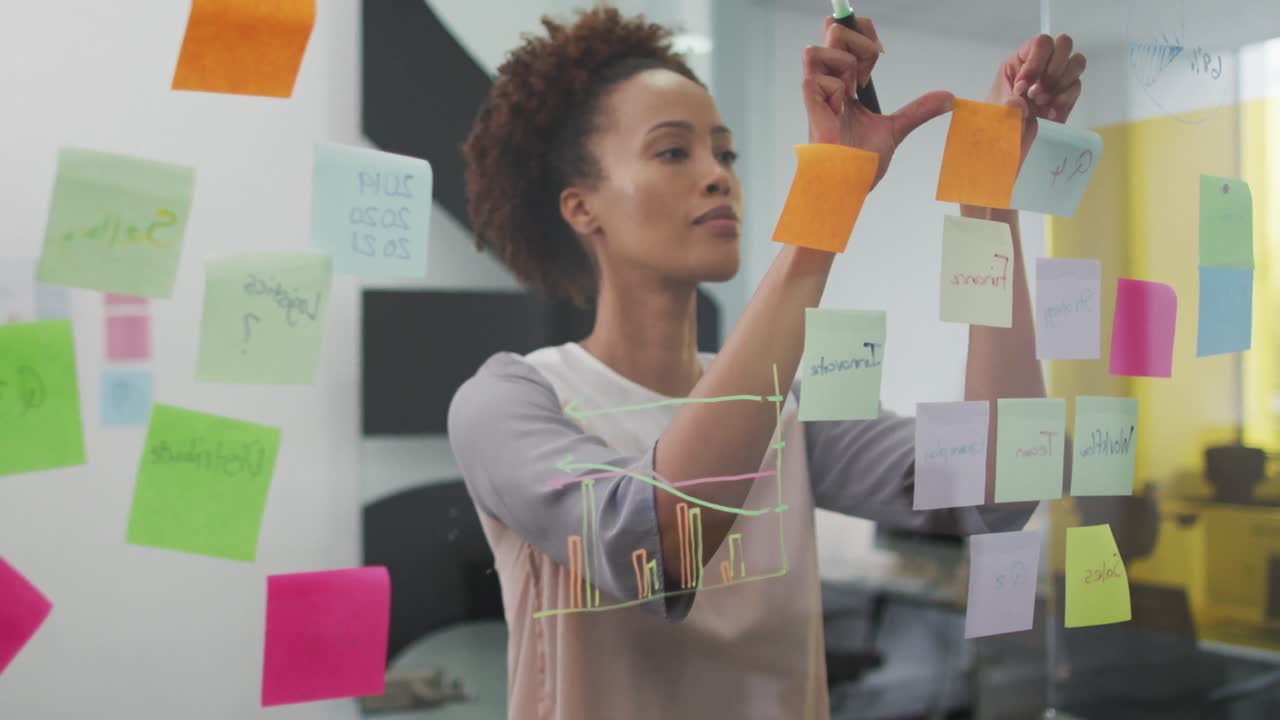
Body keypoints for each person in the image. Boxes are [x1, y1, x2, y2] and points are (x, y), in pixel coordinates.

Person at [449, 6, 1086, 719]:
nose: (718, 177)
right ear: (581, 207)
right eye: (673, 152)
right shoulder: (510, 401)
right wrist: (828, 201)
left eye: (726, 154)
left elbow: (995, 487)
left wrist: (988, 190)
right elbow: (658, 545)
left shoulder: (787, 412)